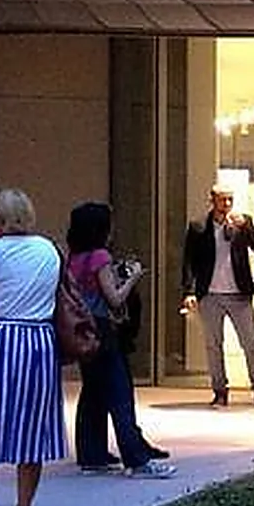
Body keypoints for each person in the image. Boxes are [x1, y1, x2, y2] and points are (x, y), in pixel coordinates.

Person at [0, 188, 68, 506]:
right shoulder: (50, 249)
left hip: (4, 337)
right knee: (33, 428)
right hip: (41, 340)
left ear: (0, 217)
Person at [67, 202, 175, 478]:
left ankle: (92, 454)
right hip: (102, 328)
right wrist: (133, 278)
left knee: (92, 392)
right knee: (120, 394)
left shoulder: (74, 258)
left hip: (83, 330)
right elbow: (114, 299)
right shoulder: (100, 257)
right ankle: (136, 459)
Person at [181, 185, 254, 408]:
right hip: (209, 293)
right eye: (222, 200)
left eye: (230, 200)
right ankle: (220, 390)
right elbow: (189, 261)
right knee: (213, 344)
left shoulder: (242, 222)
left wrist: (246, 227)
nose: (227, 205)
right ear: (212, 200)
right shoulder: (199, 226)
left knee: (250, 342)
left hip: (239, 293)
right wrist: (189, 291)